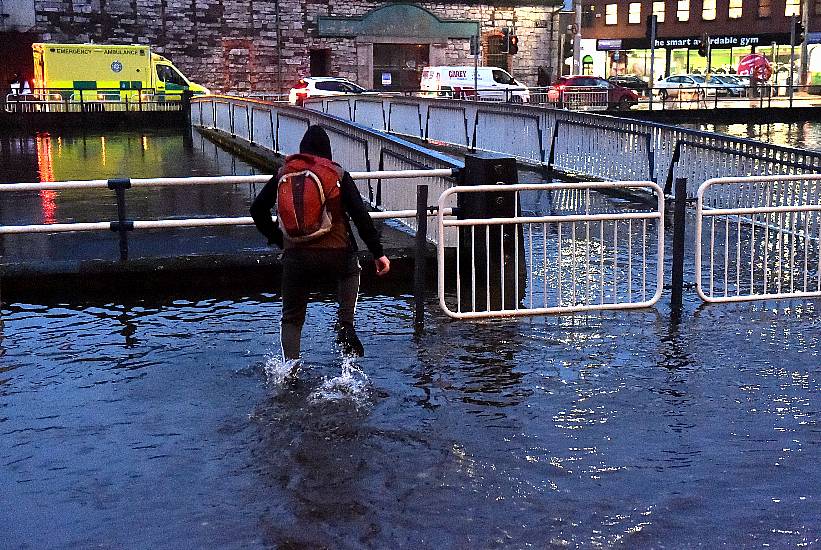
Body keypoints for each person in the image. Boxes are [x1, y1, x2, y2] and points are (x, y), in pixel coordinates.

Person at [250, 125, 390, 361]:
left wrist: (279, 239)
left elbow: (257, 210)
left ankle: (289, 370)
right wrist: (378, 253)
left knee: (292, 318)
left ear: (302, 148)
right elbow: (360, 215)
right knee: (350, 271)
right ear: (327, 150)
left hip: (296, 256)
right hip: (337, 253)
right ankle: (345, 325)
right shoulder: (336, 173)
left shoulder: (284, 171)